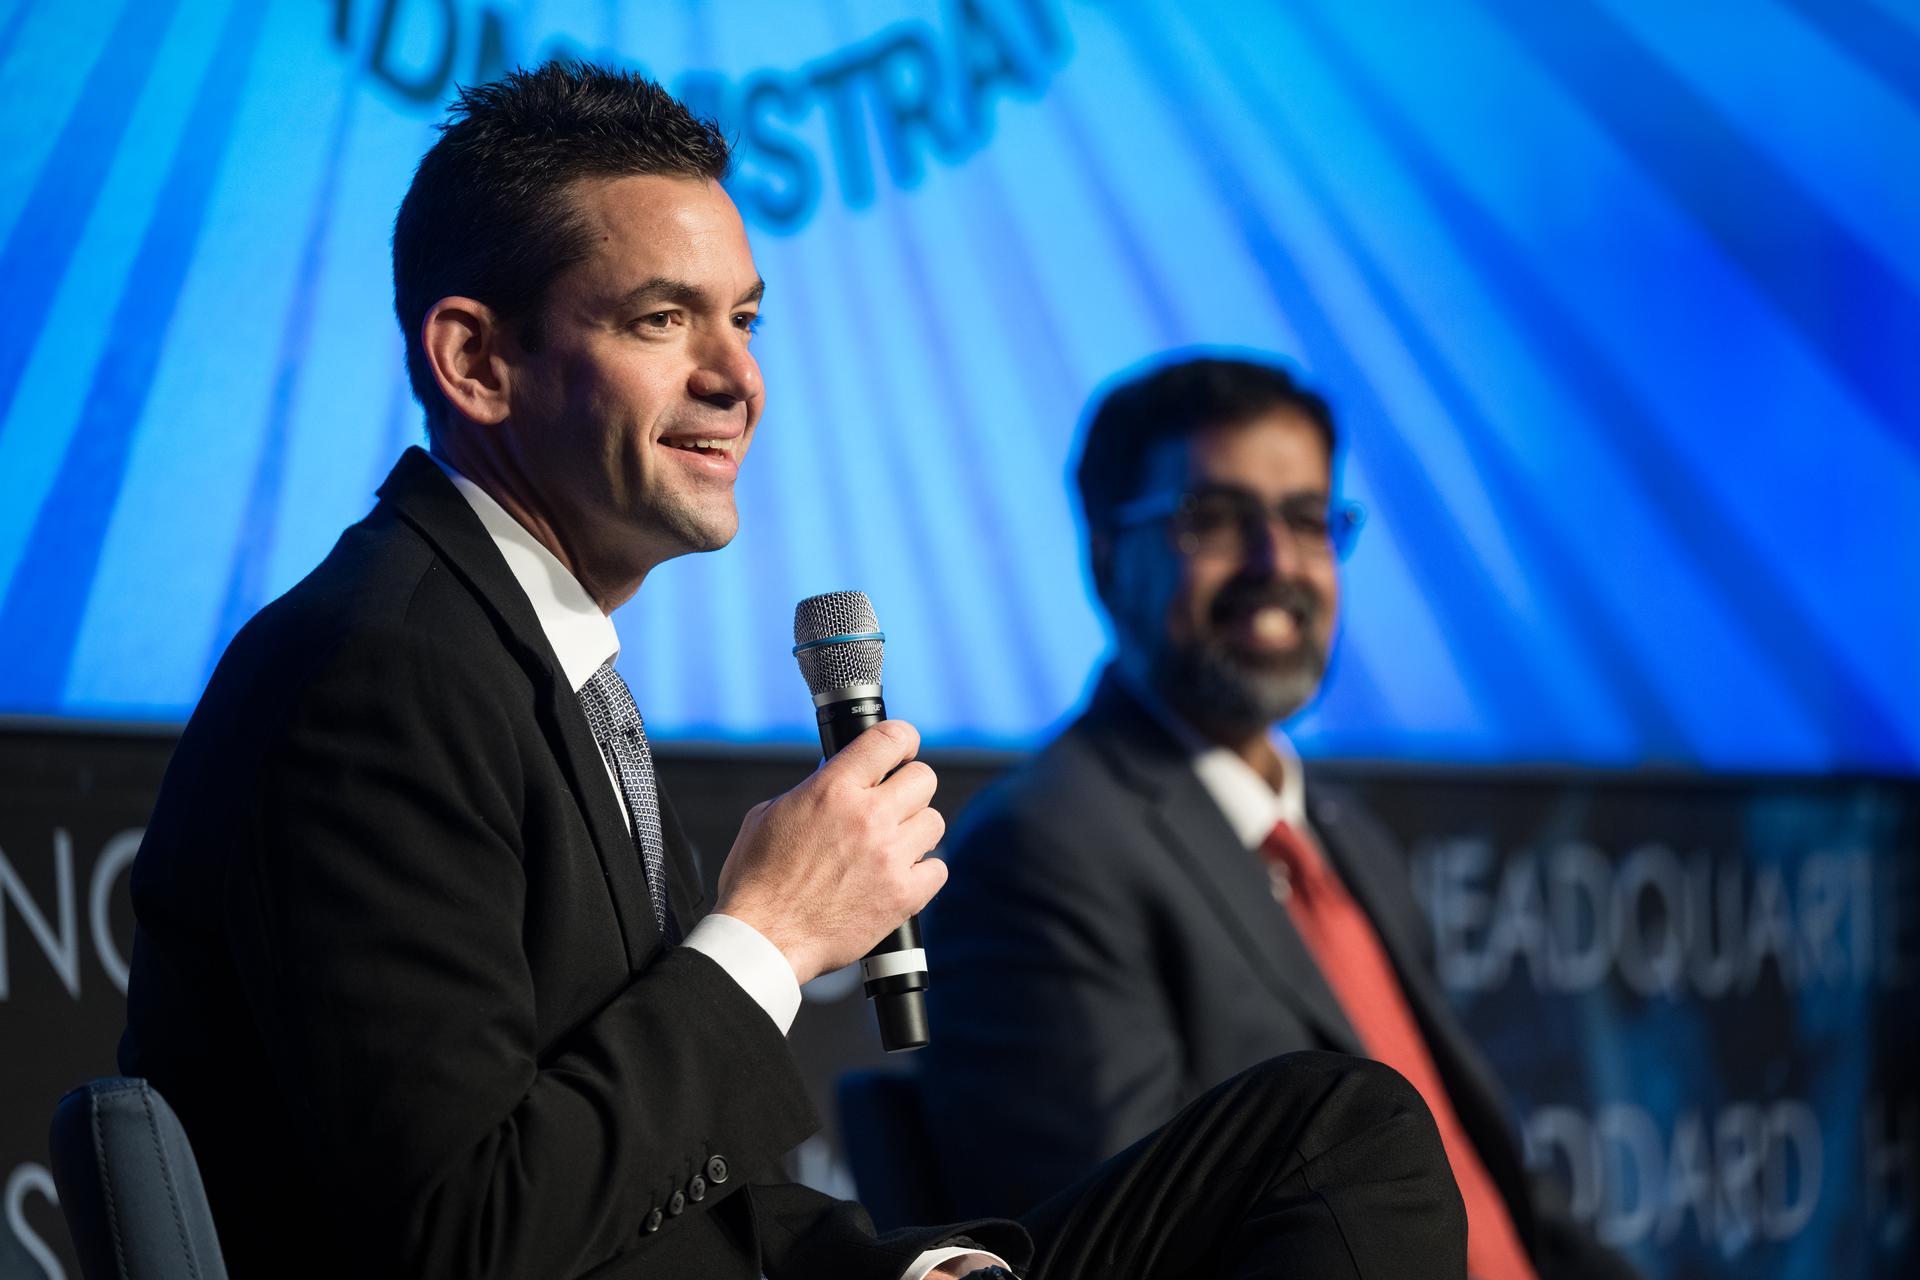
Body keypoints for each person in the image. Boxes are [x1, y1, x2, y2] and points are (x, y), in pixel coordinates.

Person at [118, 67, 1466, 1280]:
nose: (737, 379)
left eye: (745, 320)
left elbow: (643, 1202)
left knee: (1329, 1132)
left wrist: (907, 1276)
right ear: (477, 361)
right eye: (663, 319)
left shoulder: (520, 654)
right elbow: (470, 1237)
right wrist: (767, 937)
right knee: (1344, 1139)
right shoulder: (378, 675)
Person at [920, 356, 1639, 1280]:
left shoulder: (1349, 844)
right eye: (1214, 520)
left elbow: (1501, 1206)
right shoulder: (1043, 854)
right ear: (1106, 558)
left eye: (1307, 520)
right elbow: (1130, 1248)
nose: (1274, 565)